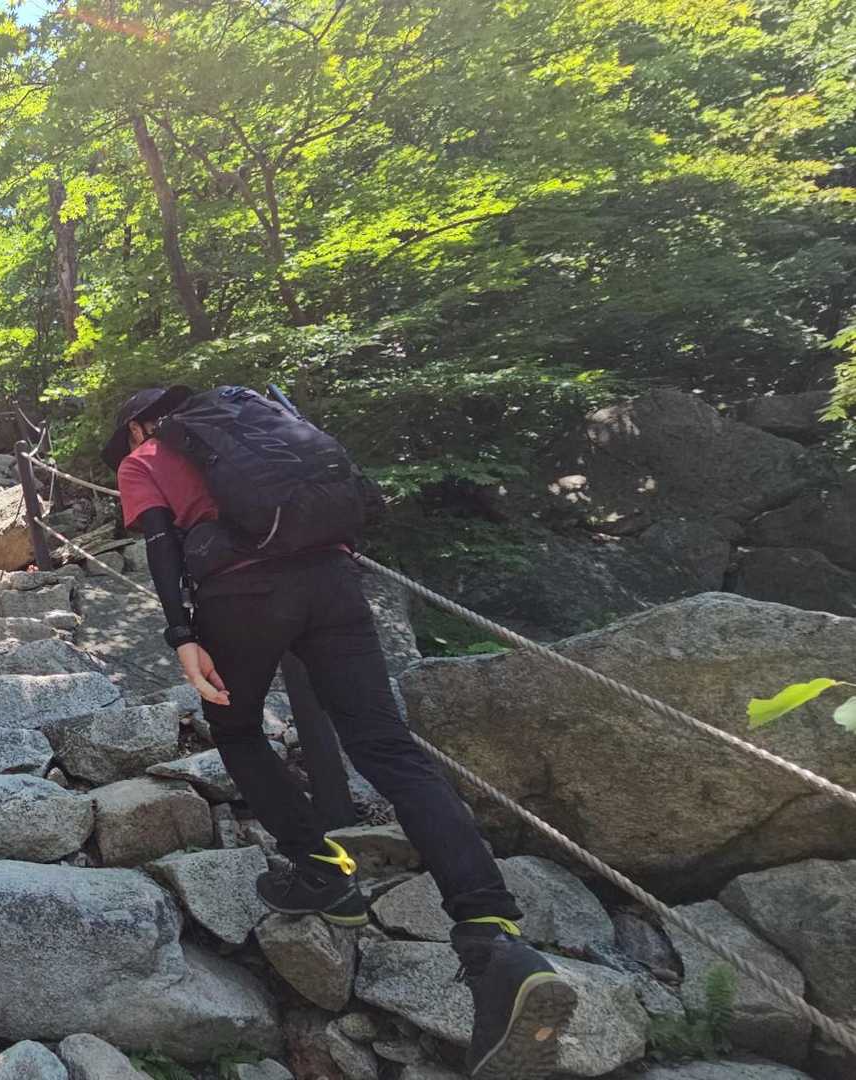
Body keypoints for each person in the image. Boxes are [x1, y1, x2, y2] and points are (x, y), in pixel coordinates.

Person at [103, 386, 577, 1080]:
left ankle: (322, 871)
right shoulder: (261, 424)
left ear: (138, 426)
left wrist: (182, 634)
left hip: (242, 596)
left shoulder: (144, 458)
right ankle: (493, 938)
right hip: (333, 581)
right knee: (386, 745)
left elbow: (160, 545)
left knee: (237, 731)